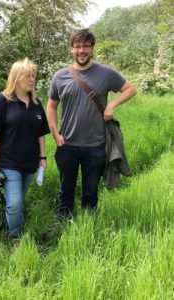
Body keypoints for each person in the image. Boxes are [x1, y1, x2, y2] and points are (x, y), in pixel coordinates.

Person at [47, 28, 136, 219]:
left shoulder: (106, 73)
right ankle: (63, 223)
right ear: (71, 49)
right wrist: (55, 132)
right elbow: (52, 107)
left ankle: (89, 226)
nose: (81, 50)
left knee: (90, 191)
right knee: (65, 189)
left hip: (96, 146)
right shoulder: (60, 76)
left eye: (86, 46)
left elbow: (130, 89)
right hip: (67, 144)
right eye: (77, 46)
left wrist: (111, 104)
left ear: (92, 48)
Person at [0, 58, 50, 244]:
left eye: (33, 76)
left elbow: (41, 134)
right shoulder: (2, 101)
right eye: (28, 76)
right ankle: (17, 240)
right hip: (8, 162)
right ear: (16, 77)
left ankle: (10, 223)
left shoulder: (37, 103)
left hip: (30, 163)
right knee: (15, 203)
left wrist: (43, 157)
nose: (32, 80)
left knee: (17, 200)